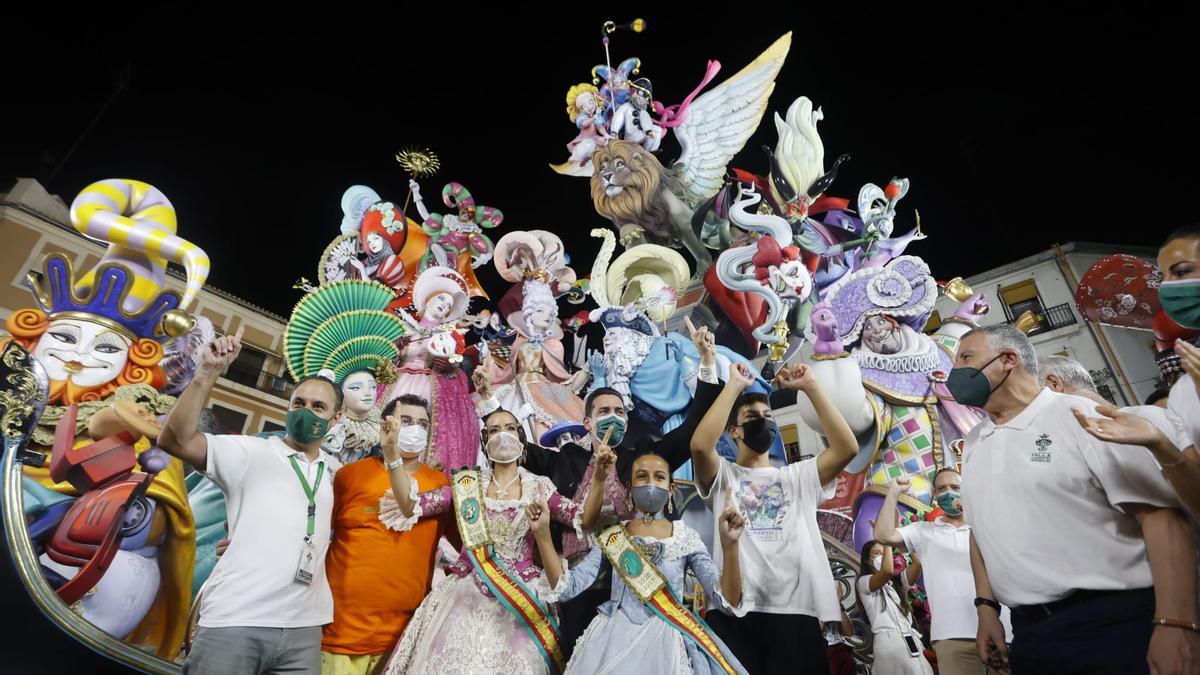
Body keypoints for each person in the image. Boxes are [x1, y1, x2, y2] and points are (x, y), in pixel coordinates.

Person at [949, 323, 1198, 675]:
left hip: (1115, 624)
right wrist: (987, 608)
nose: (955, 371)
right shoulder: (974, 441)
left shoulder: (1080, 416)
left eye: (966, 358)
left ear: (1008, 360)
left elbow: (1162, 517)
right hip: (1032, 633)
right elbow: (982, 530)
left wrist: (1176, 624)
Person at [159, 328, 341, 675]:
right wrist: (208, 372)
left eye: (319, 407)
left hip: (304, 630)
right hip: (237, 619)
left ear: (336, 420)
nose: (306, 412)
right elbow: (176, 440)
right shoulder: (249, 450)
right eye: (298, 403)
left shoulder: (336, 471)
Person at [375, 407, 598, 674]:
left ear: (521, 436)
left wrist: (600, 478)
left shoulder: (540, 487)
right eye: (494, 430)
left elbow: (584, 519)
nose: (502, 435)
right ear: (484, 440)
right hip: (465, 593)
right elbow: (410, 505)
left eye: (509, 428)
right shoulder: (466, 485)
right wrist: (391, 455)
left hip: (522, 598)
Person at [689, 361, 859, 675]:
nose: (763, 422)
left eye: (768, 417)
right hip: (736, 610)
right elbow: (700, 445)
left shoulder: (799, 476)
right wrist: (735, 386)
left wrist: (810, 387)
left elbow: (847, 447)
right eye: (752, 417)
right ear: (734, 431)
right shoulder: (724, 475)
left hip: (798, 609)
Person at [557, 446, 750, 674]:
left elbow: (726, 602)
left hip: (669, 639)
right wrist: (542, 535)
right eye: (642, 476)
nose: (650, 483)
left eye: (659, 477)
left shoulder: (685, 536)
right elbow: (568, 588)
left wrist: (730, 546)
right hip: (610, 638)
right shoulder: (613, 535)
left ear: (670, 489)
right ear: (629, 489)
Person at [320, 394, 456, 675]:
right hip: (339, 633)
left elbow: (470, 542)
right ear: (386, 424)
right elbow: (314, 533)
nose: (415, 429)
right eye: (406, 420)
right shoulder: (350, 476)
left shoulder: (441, 485)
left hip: (404, 640)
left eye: (422, 423)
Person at [874, 473, 1012, 675]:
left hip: (1002, 630)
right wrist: (893, 493)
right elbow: (883, 535)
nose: (948, 493)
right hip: (952, 636)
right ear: (935, 495)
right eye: (941, 489)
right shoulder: (923, 532)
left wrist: (976, 516)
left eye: (955, 488)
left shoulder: (988, 526)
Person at [856, 540, 933, 674]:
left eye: (885, 552)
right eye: (877, 553)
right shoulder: (864, 582)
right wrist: (887, 540)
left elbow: (918, 564)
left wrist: (905, 541)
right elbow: (887, 571)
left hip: (911, 640)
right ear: (868, 560)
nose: (884, 556)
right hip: (889, 642)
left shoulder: (897, 582)